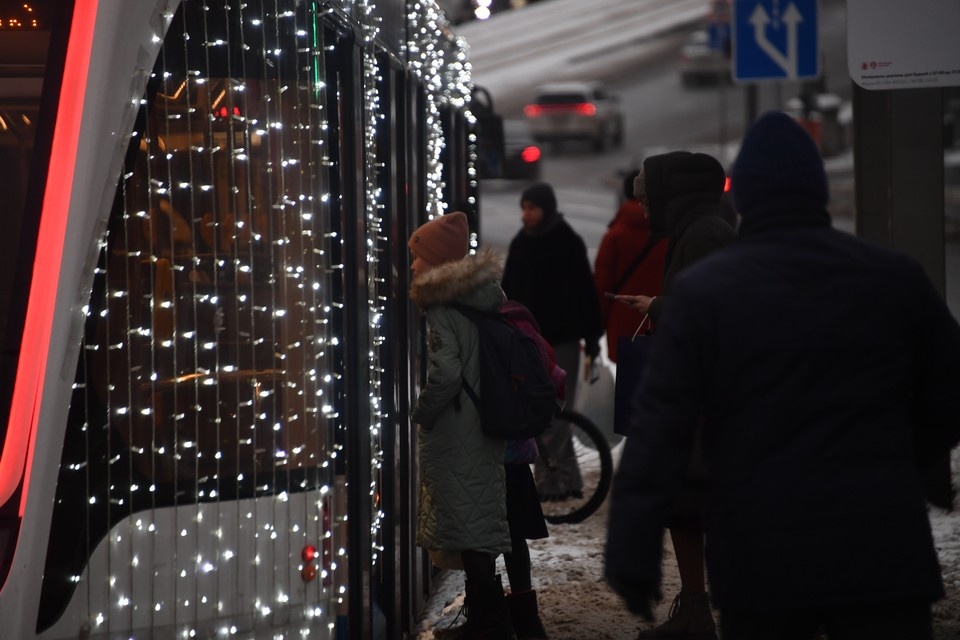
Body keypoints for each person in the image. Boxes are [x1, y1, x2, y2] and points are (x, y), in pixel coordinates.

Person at [605, 111, 960, 640]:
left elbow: (660, 423)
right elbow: (948, 385)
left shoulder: (707, 292)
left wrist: (631, 551)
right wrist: (911, 461)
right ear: (819, 191)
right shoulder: (894, 277)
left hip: (762, 550)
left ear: (745, 198)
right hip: (882, 543)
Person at [612, 151, 735, 640]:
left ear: (669, 195)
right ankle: (695, 609)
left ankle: (704, 613)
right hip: (700, 395)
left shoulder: (703, 235)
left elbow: (710, 311)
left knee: (693, 505)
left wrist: (659, 307)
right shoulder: (698, 231)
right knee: (683, 507)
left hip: (704, 400)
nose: (642, 207)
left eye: (646, 198)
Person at [408, 211, 515, 640]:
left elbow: (447, 374)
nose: (412, 265)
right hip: (482, 422)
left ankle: (490, 624)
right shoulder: (481, 297)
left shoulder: (441, 306)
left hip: (456, 428)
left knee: (467, 525)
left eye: (418, 257)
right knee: (477, 523)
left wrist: (422, 412)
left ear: (436, 262)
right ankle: (488, 619)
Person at [501, 182, 604, 502]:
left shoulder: (565, 240)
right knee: (547, 410)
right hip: (531, 340)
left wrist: (592, 337)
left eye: (532, 208)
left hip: (562, 340)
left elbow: (585, 292)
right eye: (523, 208)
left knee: (555, 411)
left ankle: (551, 481)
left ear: (546, 208)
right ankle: (567, 478)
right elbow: (509, 291)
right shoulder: (522, 242)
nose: (526, 214)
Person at [593, 170, 668, 362]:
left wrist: (597, 325)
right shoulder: (670, 233)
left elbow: (602, 285)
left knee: (629, 375)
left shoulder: (615, 235)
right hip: (661, 322)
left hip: (623, 322)